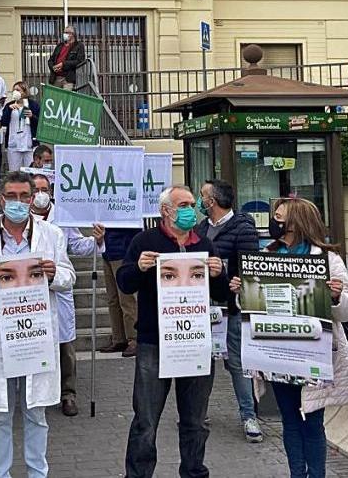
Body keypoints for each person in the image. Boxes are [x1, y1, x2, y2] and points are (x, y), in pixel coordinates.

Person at [231, 198, 348, 478]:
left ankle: (316, 474)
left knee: (312, 422)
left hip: (314, 352)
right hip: (279, 352)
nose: (273, 222)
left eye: (278, 217)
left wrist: (336, 296)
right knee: (289, 422)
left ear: (296, 223)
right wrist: (243, 292)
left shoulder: (327, 259)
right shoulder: (267, 254)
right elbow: (253, 310)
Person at [0, 171, 75, 478]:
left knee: (36, 412)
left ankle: (38, 473)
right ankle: (0, 474)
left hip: (34, 334)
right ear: (1, 199)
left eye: (25, 196)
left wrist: (53, 275)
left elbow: (68, 278)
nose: (19, 202)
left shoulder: (51, 234)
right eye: (11, 196)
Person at [117, 185, 225, 478]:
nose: (192, 209)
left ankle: (193, 472)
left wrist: (219, 275)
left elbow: (221, 294)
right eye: (185, 204)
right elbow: (125, 284)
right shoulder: (144, 241)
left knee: (196, 421)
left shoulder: (203, 243)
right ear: (166, 210)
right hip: (155, 343)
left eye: (192, 203)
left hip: (195, 341)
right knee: (146, 420)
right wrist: (138, 268)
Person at [28, 173, 103, 417]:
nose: (40, 194)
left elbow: (77, 246)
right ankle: (34, 393)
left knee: (64, 345)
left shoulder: (62, 215)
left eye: (44, 189)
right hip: (29, 292)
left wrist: (96, 241)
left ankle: (68, 393)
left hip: (57, 289)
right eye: (36, 189)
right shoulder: (20, 220)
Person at [194, 179, 263, 443]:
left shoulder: (242, 228)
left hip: (231, 308)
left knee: (237, 362)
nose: (199, 202)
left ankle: (248, 415)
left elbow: (252, 267)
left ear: (212, 202)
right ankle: (198, 413)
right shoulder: (201, 229)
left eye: (202, 197)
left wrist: (239, 281)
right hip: (204, 306)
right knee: (203, 362)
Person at [98, 226, 140, 357]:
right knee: (113, 299)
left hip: (124, 249)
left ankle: (134, 339)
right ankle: (119, 338)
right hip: (108, 250)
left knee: (126, 299)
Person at [0, 82, 39, 172]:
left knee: (31, 172)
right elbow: (4, 122)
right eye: (14, 90)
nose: (15, 92)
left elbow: (39, 123)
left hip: (29, 144)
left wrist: (32, 116)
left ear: (24, 92)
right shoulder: (9, 105)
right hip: (14, 144)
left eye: (18, 90)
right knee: (14, 172)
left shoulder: (33, 105)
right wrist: (9, 110)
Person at [48, 24, 86, 89]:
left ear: (72, 34)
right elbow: (51, 60)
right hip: (55, 78)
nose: (64, 34)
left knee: (65, 98)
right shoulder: (59, 46)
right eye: (64, 32)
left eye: (66, 32)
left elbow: (80, 61)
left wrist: (63, 64)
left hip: (68, 78)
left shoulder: (79, 45)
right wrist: (53, 67)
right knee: (54, 98)